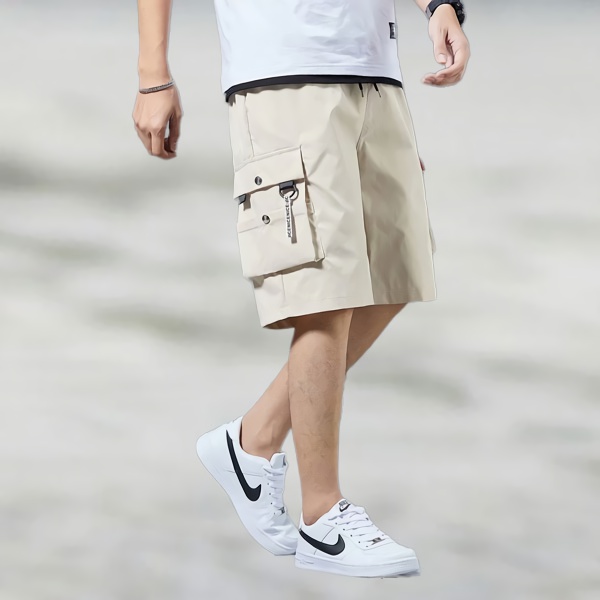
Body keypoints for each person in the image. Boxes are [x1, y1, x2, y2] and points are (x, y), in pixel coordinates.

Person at [134, 0, 470, 579]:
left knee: (397, 273)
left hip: (372, 69)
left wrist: (438, 6)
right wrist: (152, 74)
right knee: (325, 292)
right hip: (282, 72)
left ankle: (253, 440)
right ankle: (323, 519)